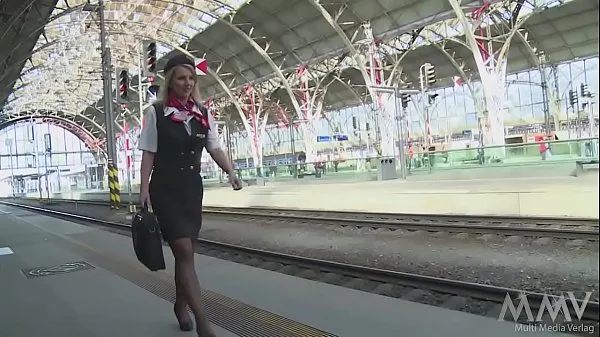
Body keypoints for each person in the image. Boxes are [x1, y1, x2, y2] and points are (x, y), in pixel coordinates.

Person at [138, 53, 242, 337]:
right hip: (166, 188)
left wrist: (231, 172)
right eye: (182, 78)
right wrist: (144, 189)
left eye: (191, 78)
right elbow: (149, 152)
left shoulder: (202, 113)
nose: (187, 83)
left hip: (191, 189)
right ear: (170, 81)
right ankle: (204, 322)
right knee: (183, 251)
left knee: (187, 255)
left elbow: (215, 147)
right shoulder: (155, 113)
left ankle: (180, 306)